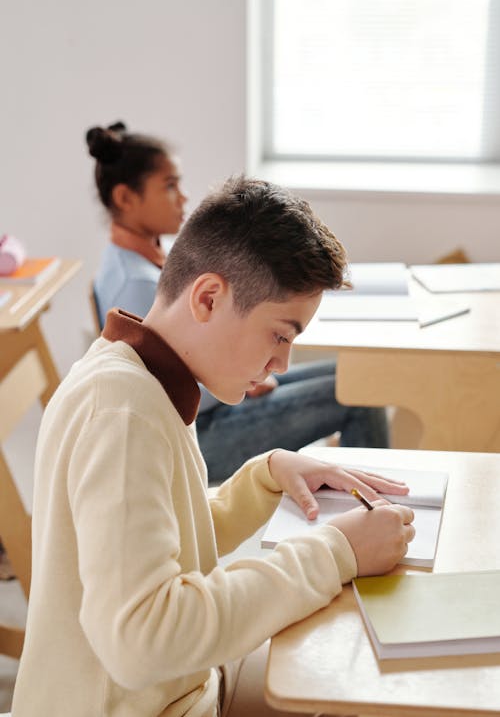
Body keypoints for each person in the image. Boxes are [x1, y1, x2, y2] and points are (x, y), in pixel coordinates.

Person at [12, 175, 414, 717]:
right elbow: (144, 640)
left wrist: (265, 477)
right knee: (361, 685)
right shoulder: (123, 412)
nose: (283, 363)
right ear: (207, 297)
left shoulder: (138, 376)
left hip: (177, 695)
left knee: (343, 669)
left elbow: (166, 538)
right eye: (280, 335)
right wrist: (335, 553)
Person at [89, 122, 389, 482]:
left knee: (356, 378)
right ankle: (371, 511)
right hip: (209, 426)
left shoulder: (145, 258)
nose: (183, 197)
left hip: (207, 406)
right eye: (170, 186)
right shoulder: (134, 282)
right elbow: (170, 380)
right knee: (358, 396)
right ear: (125, 198)